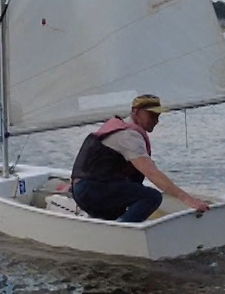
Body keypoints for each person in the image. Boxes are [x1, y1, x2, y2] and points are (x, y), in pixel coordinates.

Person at [69, 94, 211, 223]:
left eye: (158, 116)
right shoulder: (129, 136)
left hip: (83, 190)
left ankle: (112, 224)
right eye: (151, 115)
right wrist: (187, 199)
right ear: (136, 112)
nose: (156, 121)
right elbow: (152, 173)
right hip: (91, 190)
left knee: (131, 196)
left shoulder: (119, 126)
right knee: (151, 197)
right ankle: (123, 232)